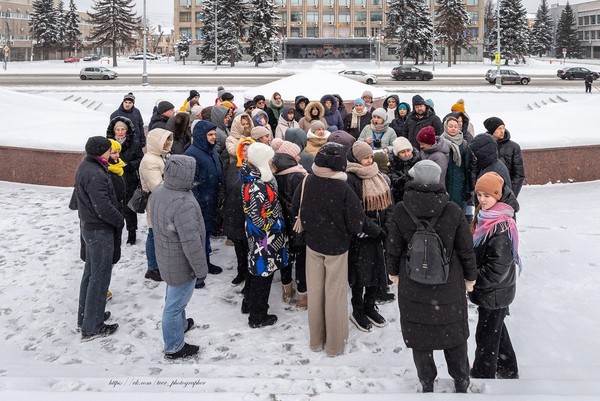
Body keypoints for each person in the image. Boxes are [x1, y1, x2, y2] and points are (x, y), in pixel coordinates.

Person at [386, 160, 478, 393]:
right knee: (454, 335)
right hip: (448, 283)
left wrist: (393, 272)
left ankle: (427, 382)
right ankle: (461, 380)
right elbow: (466, 249)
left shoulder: (400, 209)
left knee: (420, 337)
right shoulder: (453, 210)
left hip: (413, 282)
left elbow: (394, 247)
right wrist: (470, 277)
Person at [292, 142, 380, 357]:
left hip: (312, 245)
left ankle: (316, 341)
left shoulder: (308, 180)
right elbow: (356, 222)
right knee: (335, 295)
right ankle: (334, 345)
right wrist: (375, 231)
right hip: (337, 248)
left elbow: (296, 208)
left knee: (316, 293)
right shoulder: (342, 187)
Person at [150, 155, 209, 359]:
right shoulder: (182, 202)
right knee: (174, 306)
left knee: (173, 296)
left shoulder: (161, 190)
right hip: (181, 262)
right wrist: (201, 269)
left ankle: (181, 326)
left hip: (167, 256)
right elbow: (191, 243)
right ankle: (174, 346)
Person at [469, 172, 520, 380]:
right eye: (479, 195)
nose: (482, 199)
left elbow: (497, 269)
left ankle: (483, 375)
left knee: (486, 336)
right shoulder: (486, 217)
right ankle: (508, 369)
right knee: (496, 329)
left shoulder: (500, 225)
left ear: (498, 195)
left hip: (494, 292)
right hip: (494, 292)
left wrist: (472, 279)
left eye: (487, 195)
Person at [76, 136, 122, 340]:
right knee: (99, 276)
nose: (110, 152)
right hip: (99, 230)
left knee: (91, 273)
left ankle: (87, 317)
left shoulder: (88, 166)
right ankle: (92, 326)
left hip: (90, 228)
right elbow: (102, 206)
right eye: (108, 149)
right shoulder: (95, 173)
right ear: (100, 151)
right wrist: (119, 219)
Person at [345, 142, 392, 332]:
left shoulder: (377, 174)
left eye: (370, 157)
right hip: (362, 235)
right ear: (356, 159)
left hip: (380, 233)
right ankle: (357, 310)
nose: (369, 160)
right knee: (360, 276)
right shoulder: (350, 178)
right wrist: (374, 230)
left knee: (377, 273)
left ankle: (370, 306)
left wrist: (386, 227)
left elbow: (389, 203)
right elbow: (354, 210)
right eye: (365, 158)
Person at [240, 142, 288, 328]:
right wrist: (274, 226)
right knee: (263, 273)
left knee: (256, 269)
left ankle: (249, 305)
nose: (271, 161)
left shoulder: (254, 177)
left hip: (260, 235)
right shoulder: (256, 185)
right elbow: (258, 216)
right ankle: (258, 316)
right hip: (264, 237)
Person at [184, 120, 224, 287]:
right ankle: (196, 273)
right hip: (201, 202)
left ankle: (205, 263)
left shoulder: (212, 150)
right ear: (201, 136)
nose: (214, 137)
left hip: (211, 200)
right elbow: (192, 182)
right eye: (210, 135)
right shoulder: (192, 154)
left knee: (206, 234)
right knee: (198, 238)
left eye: (214, 134)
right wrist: (199, 202)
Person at [272, 141, 309, 308]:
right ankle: (302, 297)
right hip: (298, 223)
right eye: (296, 154)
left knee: (285, 257)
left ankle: (287, 289)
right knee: (301, 260)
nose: (299, 157)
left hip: (281, 223)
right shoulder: (299, 176)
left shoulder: (273, 175)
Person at [139, 128, 174, 282]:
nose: (167, 143)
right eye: (164, 140)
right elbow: (157, 186)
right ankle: (152, 268)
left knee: (160, 234)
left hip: (164, 202)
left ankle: (159, 264)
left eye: (168, 139)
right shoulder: (149, 160)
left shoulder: (162, 156)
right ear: (155, 142)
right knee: (154, 234)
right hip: (156, 203)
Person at [106, 116, 144, 246]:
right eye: (118, 129)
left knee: (129, 208)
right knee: (115, 206)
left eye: (123, 129)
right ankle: (115, 231)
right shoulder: (107, 144)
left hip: (129, 179)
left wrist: (129, 165)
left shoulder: (134, 143)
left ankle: (131, 233)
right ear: (114, 130)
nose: (120, 132)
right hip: (113, 179)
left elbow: (140, 159)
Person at [224, 138, 255, 292]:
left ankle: (249, 277)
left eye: (248, 150)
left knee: (250, 247)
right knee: (238, 245)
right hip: (233, 211)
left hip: (248, 213)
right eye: (243, 150)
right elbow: (224, 187)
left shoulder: (258, 169)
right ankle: (241, 271)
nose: (245, 153)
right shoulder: (231, 167)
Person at [483, 117, 525, 197]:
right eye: (499, 128)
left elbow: (519, 174)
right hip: (487, 192)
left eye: (503, 128)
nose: (502, 131)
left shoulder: (513, 147)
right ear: (492, 130)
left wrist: (512, 194)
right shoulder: (483, 145)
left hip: (506, 191)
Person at [442, 116, 473, 210]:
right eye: (450, 126)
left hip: (460, 185)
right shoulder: (440, 142)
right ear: (445, 127)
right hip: (445, 183)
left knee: (458, 214)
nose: (453, 128)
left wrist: (467, 189)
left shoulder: (464, 144)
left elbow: (468, 168)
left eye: (456, 126)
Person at [389, 136, 421, 203]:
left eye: (408, 151)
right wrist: (407, 176)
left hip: (418, 198)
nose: (407, 154)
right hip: (400, 199)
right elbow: (395, 184)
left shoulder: (418, 160)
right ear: (397, 154)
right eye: (402, 152)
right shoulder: (393, 163)